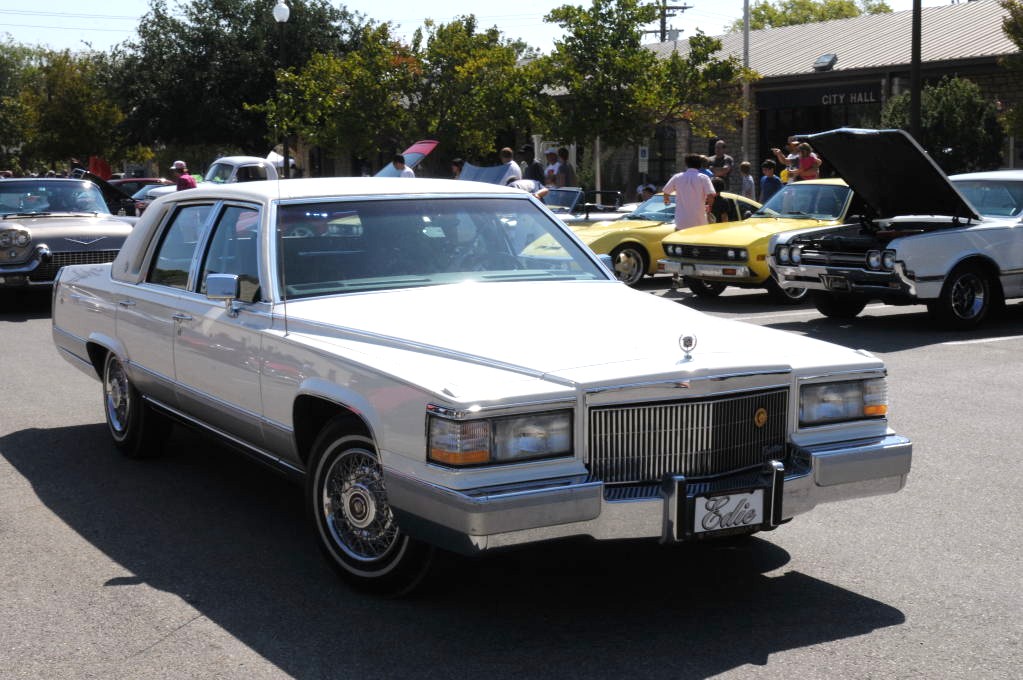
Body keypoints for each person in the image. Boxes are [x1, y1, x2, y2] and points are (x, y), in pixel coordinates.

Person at [661, 153, 715, 231]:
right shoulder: (704, 178)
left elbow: (666, 192)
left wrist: (666, 200)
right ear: (700, 164)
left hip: (681, 222)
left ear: (686, 164)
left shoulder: (677, 177)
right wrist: (709, 207)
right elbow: (710, 196)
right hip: (699, 221)